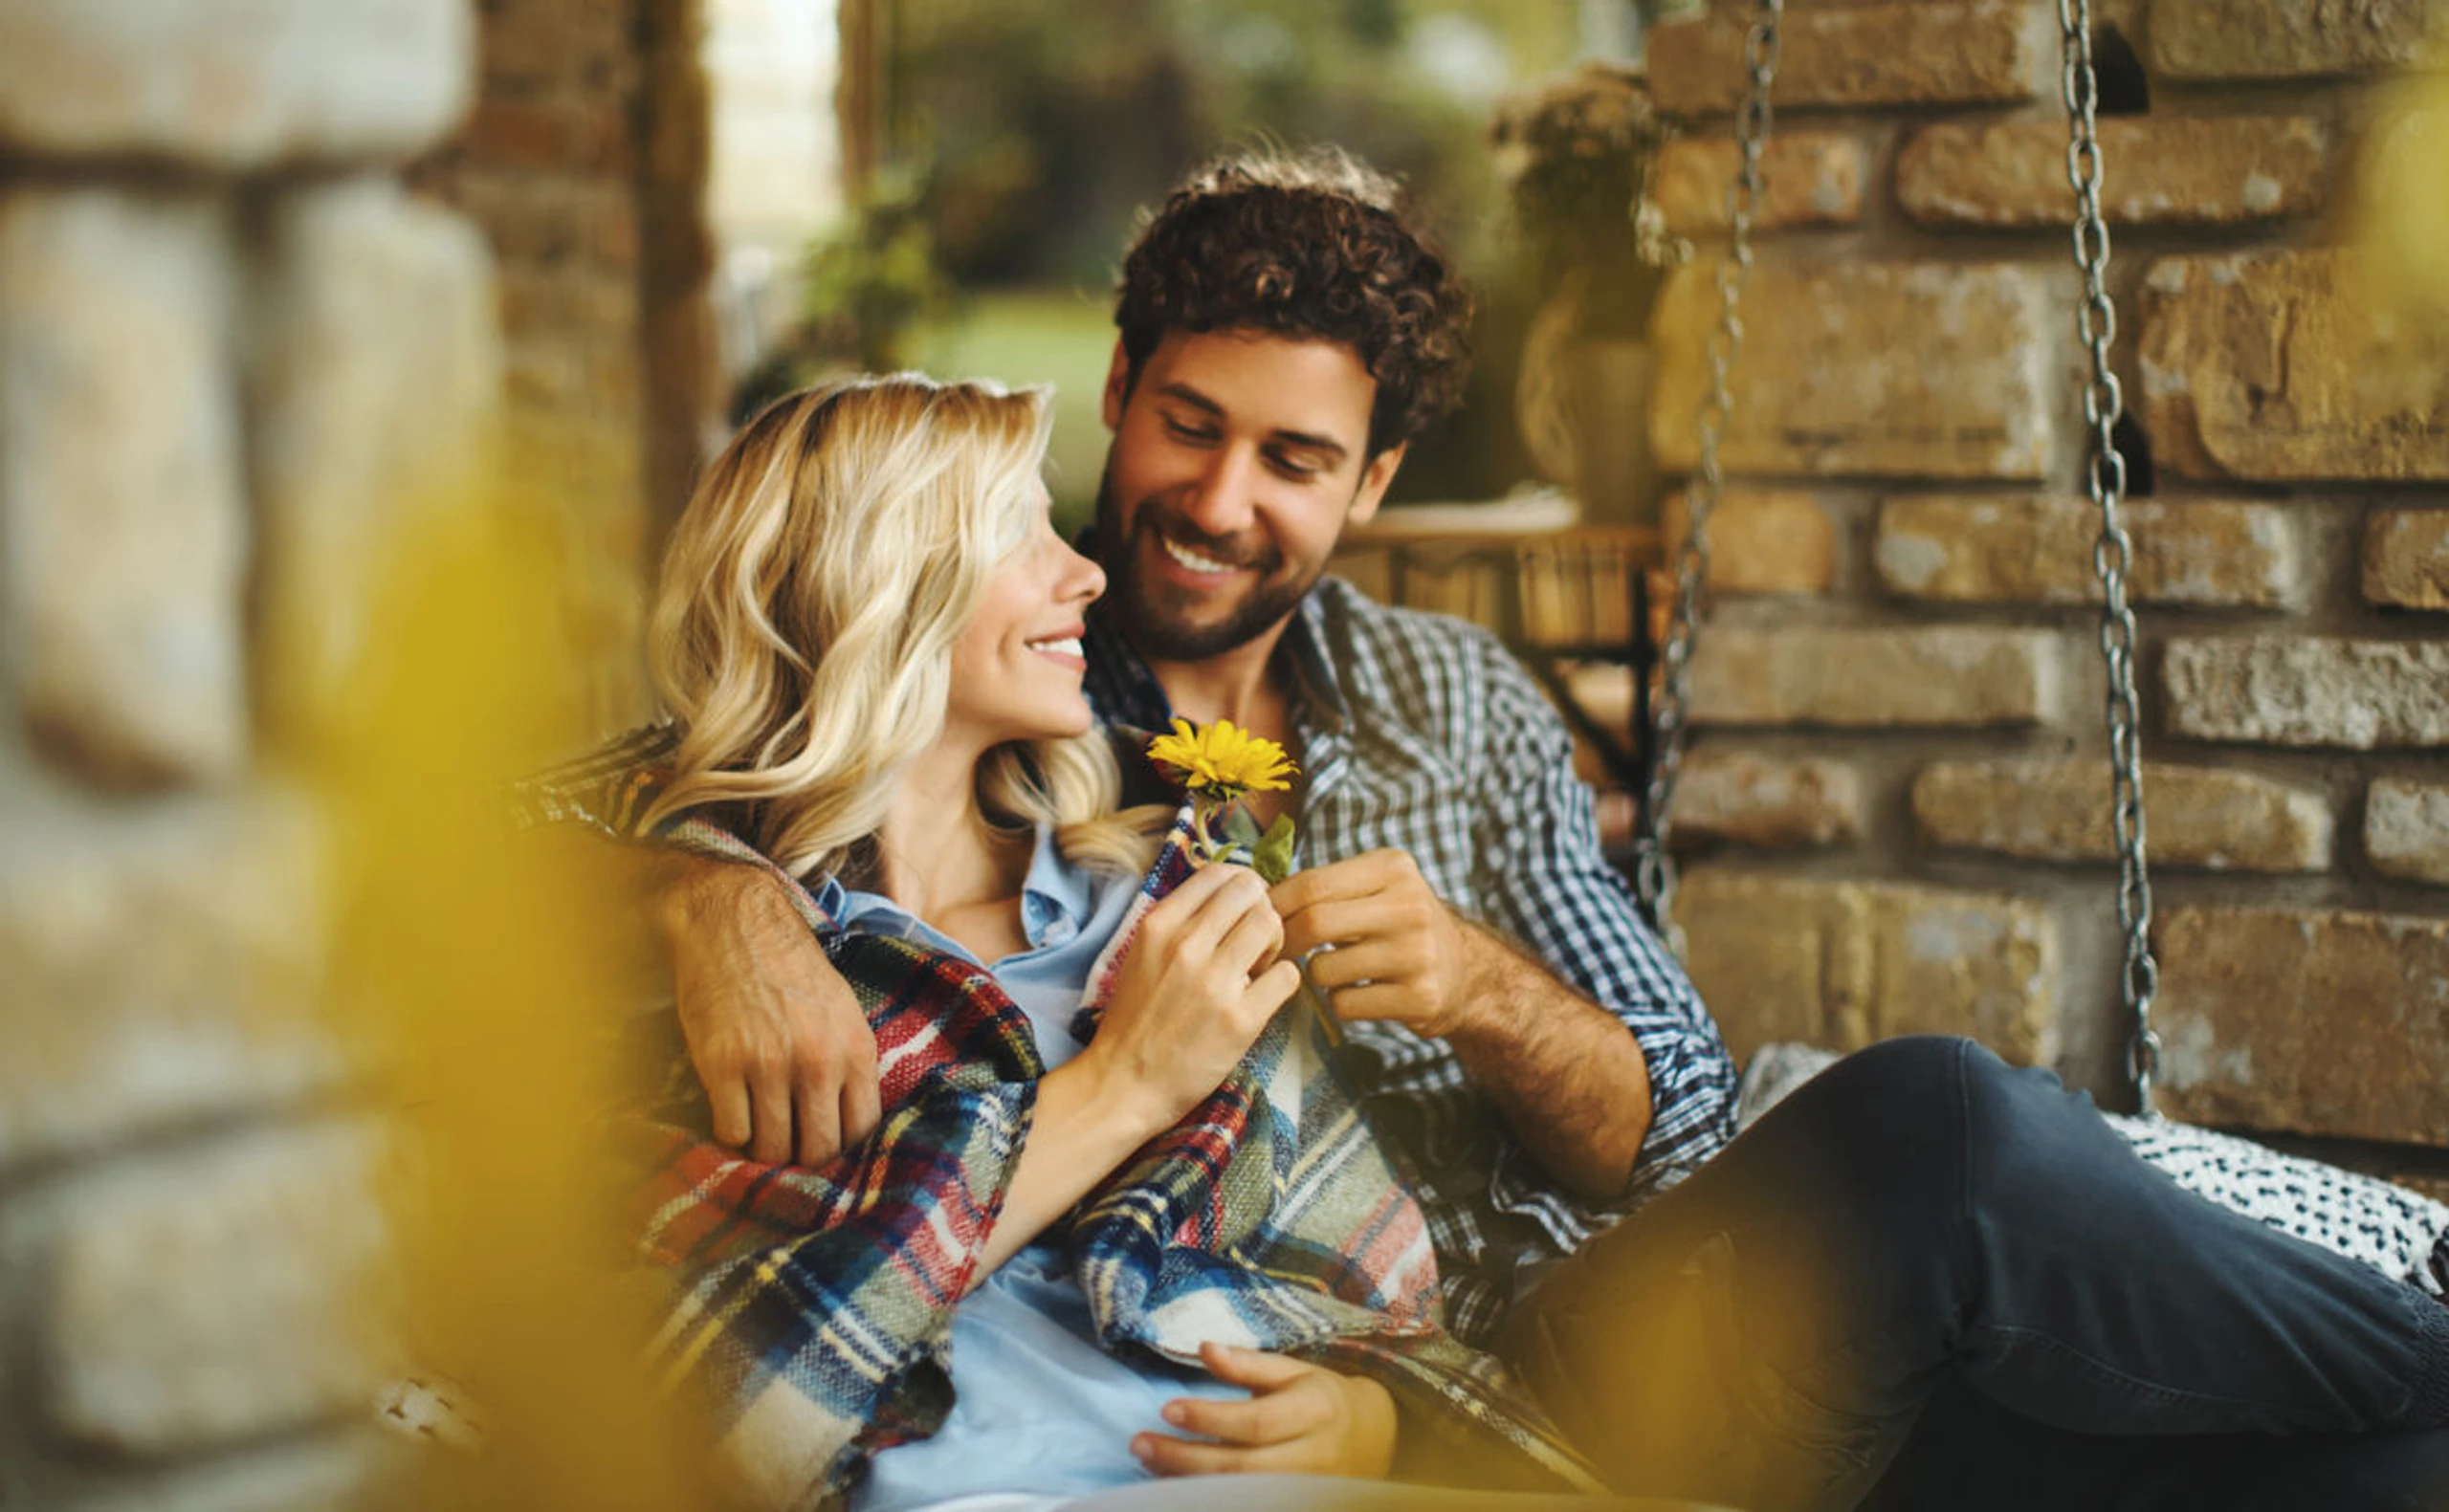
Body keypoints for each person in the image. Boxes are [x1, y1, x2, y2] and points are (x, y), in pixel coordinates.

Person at [541, 149, 2449, 1510]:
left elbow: (1678, 1117)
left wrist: (1478, 987)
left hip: (1540, 1347)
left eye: (1289, 461)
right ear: (1116, 397)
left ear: (1367, 481)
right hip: (1360, 1416)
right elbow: (651, 780)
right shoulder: (1005, 714)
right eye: (1182, 426)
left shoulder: (1453, 710)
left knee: (2348, 1455)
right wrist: (696, 891)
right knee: (1938, 1132)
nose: (1213, 501)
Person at [612, 371, 1642, 1511]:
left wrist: (1370, 1417)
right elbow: (711, 1423)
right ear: (869, 582)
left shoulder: (1157, 900)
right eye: (1018, 530)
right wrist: (1124, 1084)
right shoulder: (729, 968)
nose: (1084, 572)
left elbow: (1367, 1290)